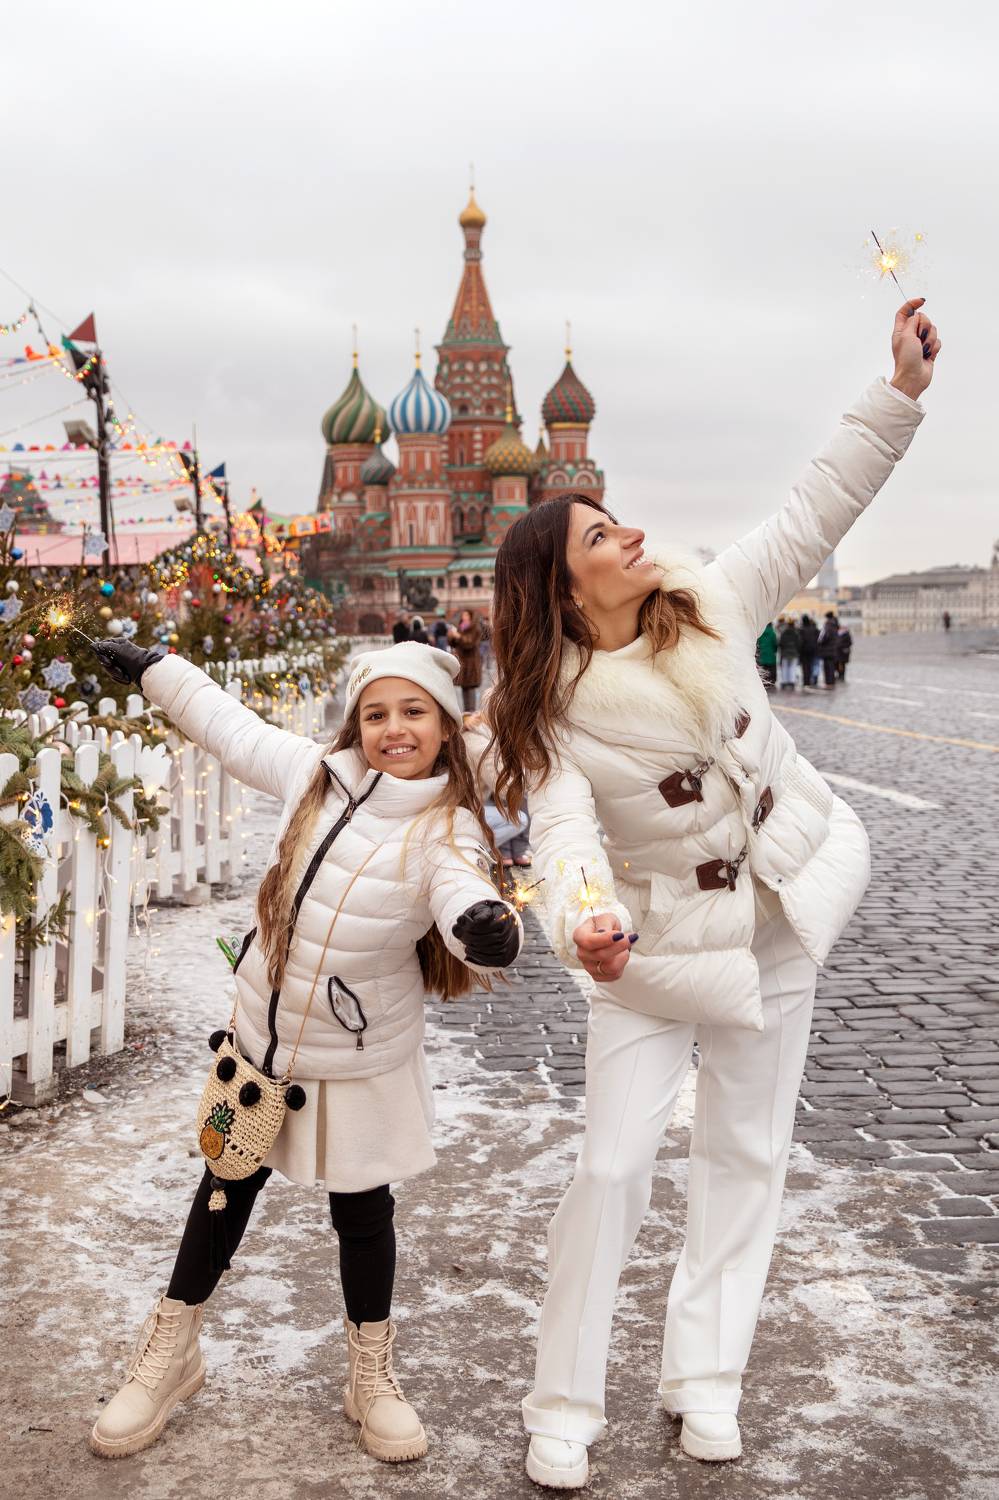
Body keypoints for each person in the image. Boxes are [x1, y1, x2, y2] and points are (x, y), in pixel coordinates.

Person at [485, 297, 938, 1491]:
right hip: (650, 950)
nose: (628, 531)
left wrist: (896, 394)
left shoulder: (717, 604)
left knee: (749, 1152)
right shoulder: (552, 712)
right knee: (612, 1167)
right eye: (598, 534)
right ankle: (564, 1405)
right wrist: (584, 916)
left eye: (615, 517)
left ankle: (708, 1382)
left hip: (777, 915)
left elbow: (814, 507)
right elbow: (563, 833)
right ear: (564, 591)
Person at [86, 638, 523, 1465]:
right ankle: (171, 1352)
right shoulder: (312, 774)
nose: (394, 728)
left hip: (357, 1057)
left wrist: (483, 928)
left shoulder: (447, 826)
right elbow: (228, 726)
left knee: (362, 1211)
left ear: (443, 725)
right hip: (260, 1045)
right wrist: (153, 668)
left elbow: (461, 887)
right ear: (356, 724)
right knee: (223, 1188)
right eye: (376, 713)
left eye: (413, 712)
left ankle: (371, 1375)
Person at [450, 608, 483, 712]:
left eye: (466, 615)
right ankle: (466, 711)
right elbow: (453, 644)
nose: (464, 617)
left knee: (470, 687)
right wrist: (451, 636)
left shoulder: (475, 628)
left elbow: (470, 643)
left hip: (471, 661)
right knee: (464, 687)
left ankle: (471, 711)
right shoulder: (460, 627)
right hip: (463, 661)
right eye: (463, 615)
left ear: (471, 617)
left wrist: (459, 636)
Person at [777, 615, 800, 689]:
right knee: (793, 667)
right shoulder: (796, 633)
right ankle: (792, 681)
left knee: (785, 667)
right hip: (794, 653)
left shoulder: (784, 633)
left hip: (785, 653)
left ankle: (785, 681)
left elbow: (780, 643)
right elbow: (799, 643)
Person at [818, 612, 840, 688]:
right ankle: (832, 682)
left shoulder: (828, 626)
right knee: (831, 666)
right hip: (833, 649)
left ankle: (828, 683)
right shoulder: (835, 625)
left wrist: (820, 642)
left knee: (827, 667)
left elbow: (824, 637)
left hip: (827, 650)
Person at [798, 613, 819, 689]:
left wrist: (799, 650)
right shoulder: (814, 629)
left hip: (804, 651)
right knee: (811, 666)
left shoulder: (801, 630)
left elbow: (800, 641)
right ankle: (811, 680)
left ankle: (806, 682)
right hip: (813, 650)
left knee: (805, 667)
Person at [755, 621, 777, 688]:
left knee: (764, 669)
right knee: (771, 669)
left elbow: (758, 643)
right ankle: (772, 683)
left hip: (762, 655)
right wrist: (774, 650)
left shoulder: (760, 633)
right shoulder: (772, 633)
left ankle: (765, 683)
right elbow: (775, 644)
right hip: (771, 655)